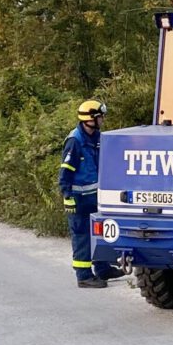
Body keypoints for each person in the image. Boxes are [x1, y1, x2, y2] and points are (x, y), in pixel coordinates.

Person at [59, 99, 119, 288]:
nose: (103, 120)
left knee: (99, 234)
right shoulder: (75, 141)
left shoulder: (97, 138)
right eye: (100, 117)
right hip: (78, 199)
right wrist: (67, 197)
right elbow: (65, 173)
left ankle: (102, 269)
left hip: (95, 197)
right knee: (82, 236)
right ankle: (84, 276)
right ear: (90, 119)